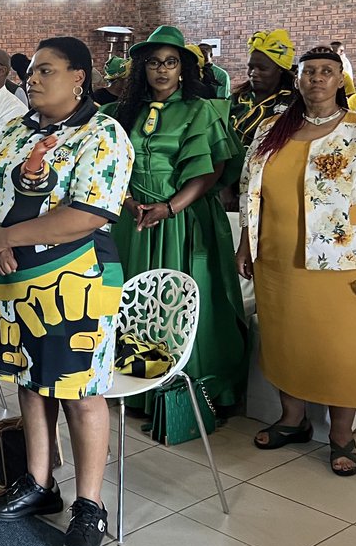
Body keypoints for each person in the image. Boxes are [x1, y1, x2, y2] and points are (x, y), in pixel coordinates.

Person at [0, 37, 134, 546]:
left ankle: (89, 507)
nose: (33, 79)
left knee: (78, 390)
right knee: (29, 380)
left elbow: (88, 214)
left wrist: (5, 239)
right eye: (32, 71)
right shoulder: (15, 129)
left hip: (77, 281)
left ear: (79, 78)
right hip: (14, 280)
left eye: (47, 70)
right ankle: (39, 482)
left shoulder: (102, 133)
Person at [237, 46, 356, 476]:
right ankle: (292, 420)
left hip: (344, 260)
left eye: (326, 72)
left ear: (340, 80)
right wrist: (245, 244)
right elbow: (249, 191)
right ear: (298, 79)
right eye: (309, 71)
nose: (316, 78)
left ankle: (341, 435)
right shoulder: (273, 128)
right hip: (277, 258)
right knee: (284, 342)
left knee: (344, 349)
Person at [101, 26, 247, 411]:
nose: (162, 71)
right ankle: (134, 386)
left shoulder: (202, 110)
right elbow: (111, 165)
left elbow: (211, 170)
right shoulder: (120, 112)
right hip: (132, 219)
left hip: (184, 217)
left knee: (182, 302)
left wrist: (170, 207)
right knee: (133, 299)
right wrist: (130, 201)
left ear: (183, 67)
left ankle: (188, 389)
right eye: (153, 63)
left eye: (170, 62)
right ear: (141, 69)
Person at [230, 30, 297, 147]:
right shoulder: (237, 98)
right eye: (251, 67)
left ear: (280, 69)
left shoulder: (292, 103)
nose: (253, 73)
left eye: (262, 68)